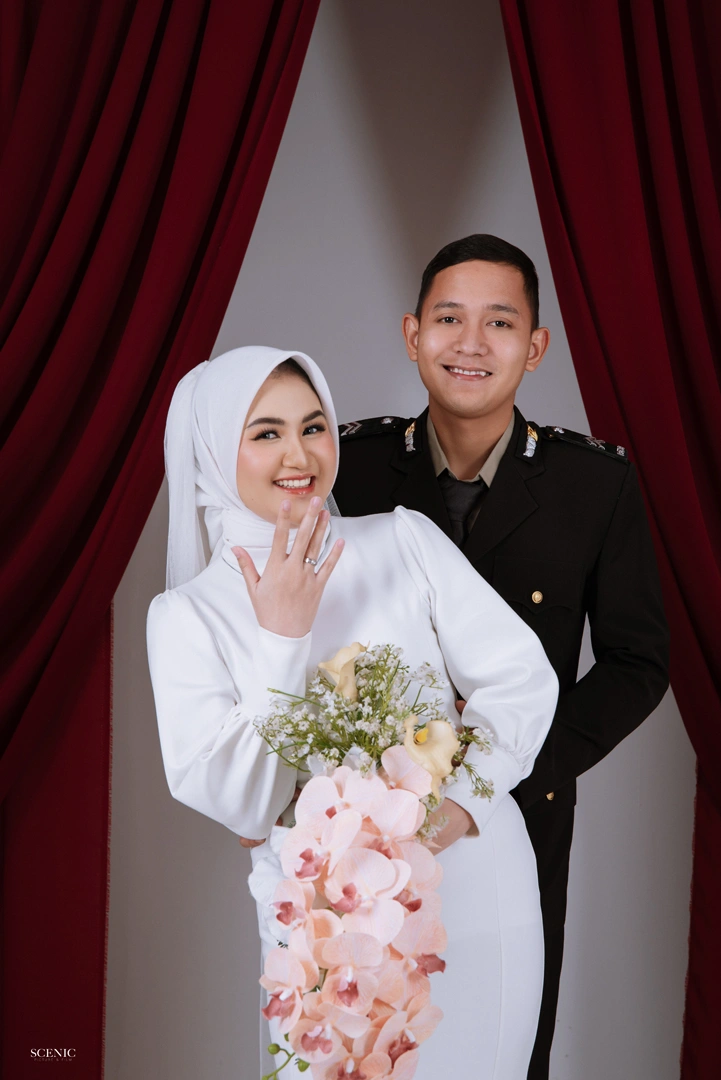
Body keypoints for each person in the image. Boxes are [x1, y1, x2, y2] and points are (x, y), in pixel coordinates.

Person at [146, 345, 559, 1079]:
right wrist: (282, 637)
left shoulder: (402, 540)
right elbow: (246, 804)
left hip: (476, 892)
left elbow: (521, 679)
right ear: (212, 451)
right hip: (323, 935)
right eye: (266, 432)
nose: (299, 454)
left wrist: (462, 806)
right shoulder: (186, 617)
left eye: (313, 426)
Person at [331, 234, 670, 1080]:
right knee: (358, 1039)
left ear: (535, 346)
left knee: (504, 1044)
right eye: (449, 318)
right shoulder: (349, 468)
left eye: (499, 322)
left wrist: (514, 767)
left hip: (519, 811)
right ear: (413, 335)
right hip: (369, 820)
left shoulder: (594, 484)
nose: (471, 343)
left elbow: (637, 661)